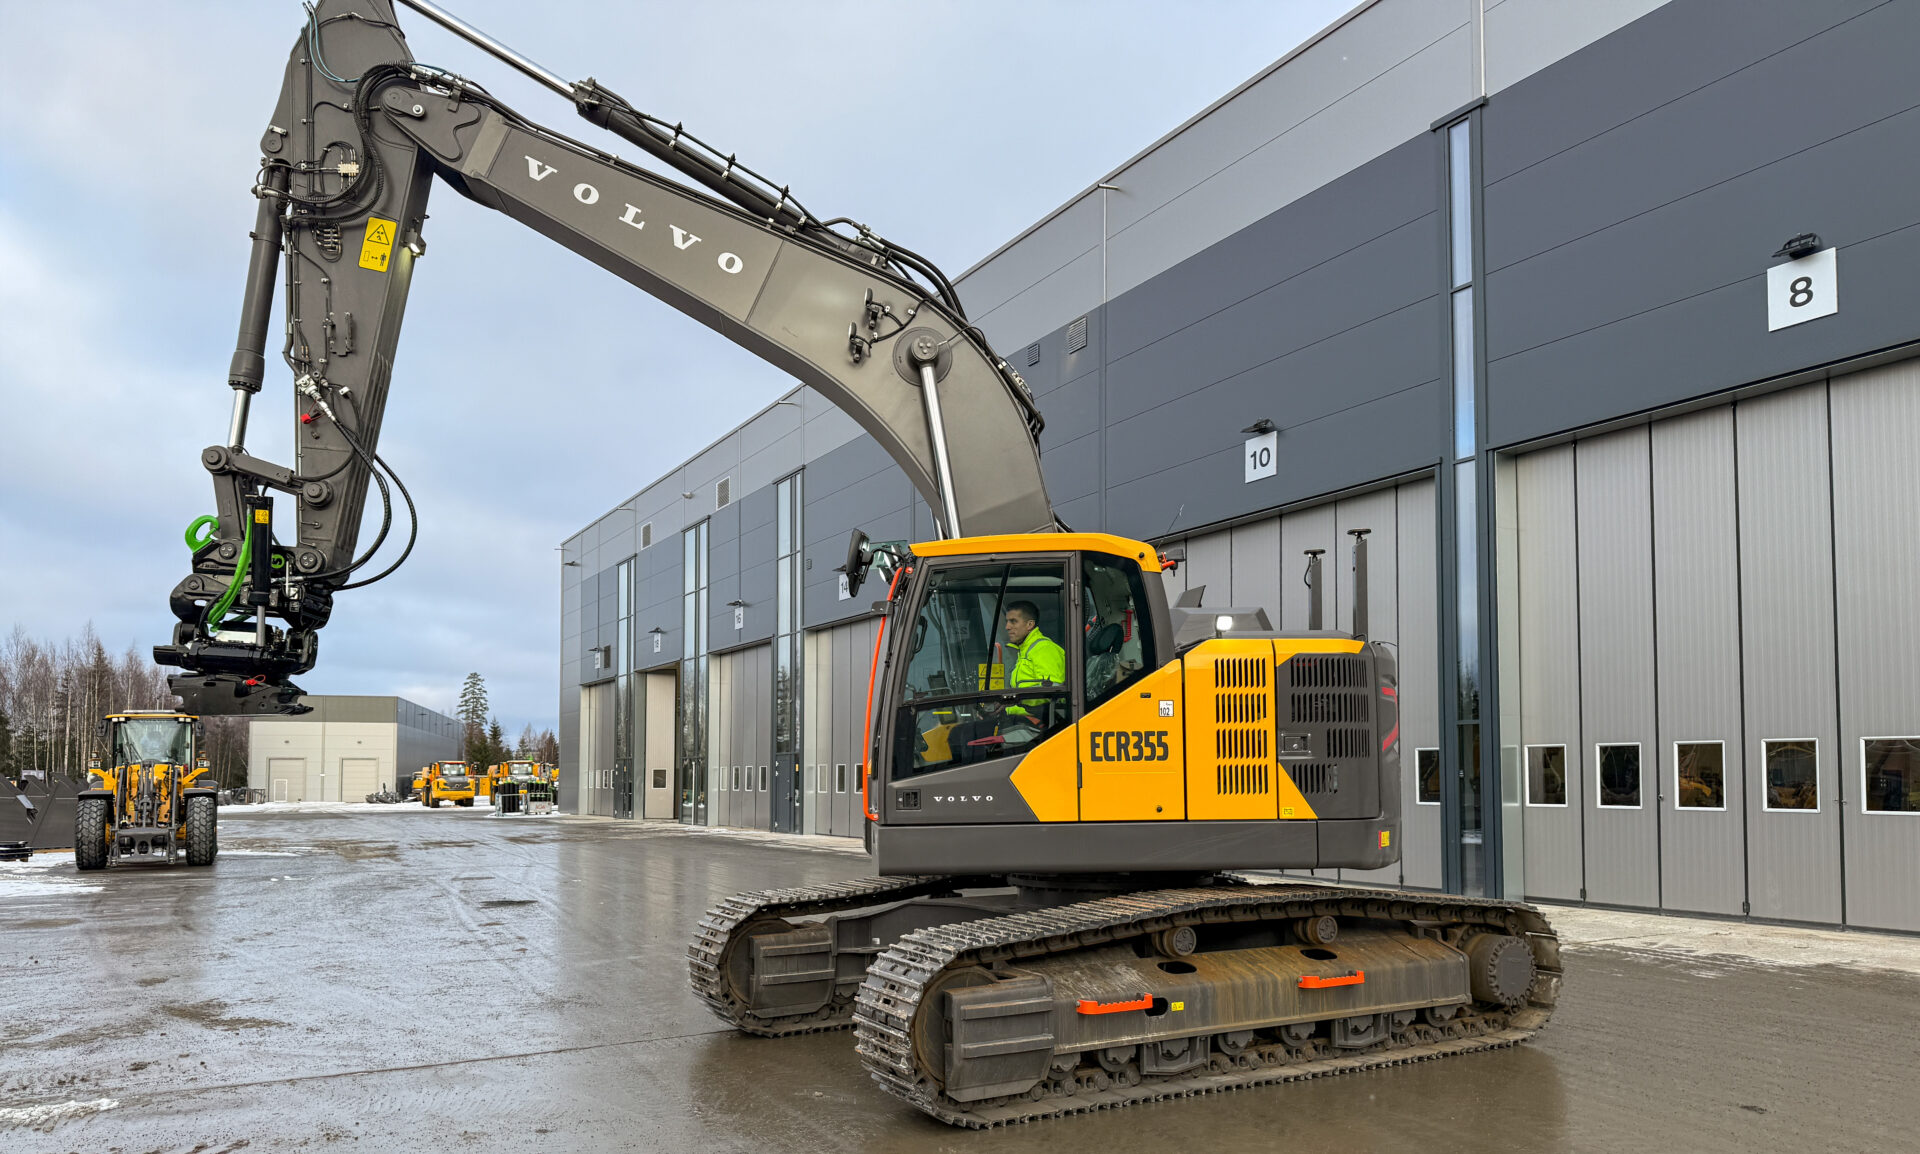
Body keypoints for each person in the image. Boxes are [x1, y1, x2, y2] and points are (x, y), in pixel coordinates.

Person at [1002, 600, 1064, 724]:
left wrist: (1009, 706)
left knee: (961, 733)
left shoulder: (1044, 649)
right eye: (1007, 622)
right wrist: (1004, 707)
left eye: (1013, 621)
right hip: (1024, 718)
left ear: (1030, 625)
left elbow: (1051, 693)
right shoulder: (1025, 651)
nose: (1007, 627)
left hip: (1038, 722)